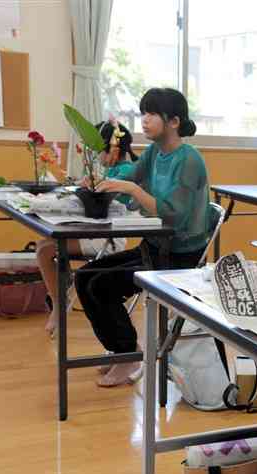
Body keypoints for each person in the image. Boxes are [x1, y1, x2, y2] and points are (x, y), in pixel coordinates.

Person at [75, 88, 212, 387]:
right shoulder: (154, 153)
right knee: (85, 277)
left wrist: (132, 190)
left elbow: (173, 216)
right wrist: (107, 176)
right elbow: (132, 172)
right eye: (143, 114)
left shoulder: (189, 160)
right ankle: (122, 351)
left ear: (174, 121)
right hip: (156, 247)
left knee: (101, 285)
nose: (144, 120)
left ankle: (127, 356)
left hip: (180, 257)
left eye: (151, 114)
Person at [36, 120, 136, 337]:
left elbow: (107, 200)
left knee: (45, 250)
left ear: (111, 148)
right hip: (94, 231)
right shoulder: (113, 169)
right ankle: (59, 298)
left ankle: (59, 303)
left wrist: (92, 186)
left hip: (108, 239)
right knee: (43, 246)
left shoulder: (126, 171)